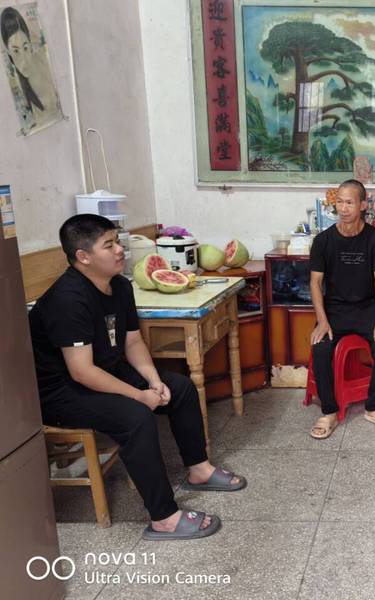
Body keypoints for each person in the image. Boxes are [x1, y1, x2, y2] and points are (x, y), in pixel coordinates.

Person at [29, 214, 245, 540]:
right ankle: (164, 519)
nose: (120, 250)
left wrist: (153, 380)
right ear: (83, 256)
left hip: (105, 372)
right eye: (109, 245)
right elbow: (81, 371)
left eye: (117, 241)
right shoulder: (67, 300)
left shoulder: (119, 285)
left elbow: (132, 341)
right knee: (135, 418)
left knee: (180, 387)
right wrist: (140, 396)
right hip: (62, 391)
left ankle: (199, 470)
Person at [308, 179, 375, 438]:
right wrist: (322, 321)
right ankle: (329, 412)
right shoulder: (323, 241)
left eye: (349, 202)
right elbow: (315, 283)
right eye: (339, 202)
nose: (343, 208)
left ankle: (374, 408)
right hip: (334, 310)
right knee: (320, 347)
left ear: (363, 205)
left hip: (366, 309)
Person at [1, 6, 61, 129]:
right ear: (8, 52)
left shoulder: (45, 61)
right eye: (16, 51)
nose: (24, 60)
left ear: (30, 43)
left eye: (25, 47)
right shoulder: (15, 86)